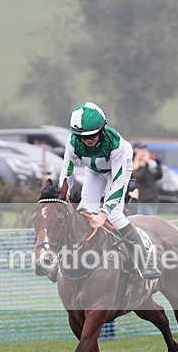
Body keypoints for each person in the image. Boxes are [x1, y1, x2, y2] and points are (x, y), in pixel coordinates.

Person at [57, 102, 161, 280]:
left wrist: (104, 213)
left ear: (102, 129)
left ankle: (144, 262)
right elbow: (67, 172)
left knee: (114, 216)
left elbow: (119, 182)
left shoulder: (116, 144)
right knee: (84, 211)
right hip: (94, 171)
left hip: (118, 171)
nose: (88, 140)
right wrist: (61, 198)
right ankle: (64, 262)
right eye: (83, 136)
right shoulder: (73, 144)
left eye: (93, 135)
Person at [129, 141, 163, 216]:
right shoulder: (135, 165)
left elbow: (157, 176)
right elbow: (138, 177)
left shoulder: (150, 165)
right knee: (146, 221)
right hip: (144, 199)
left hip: (153, 198)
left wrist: (159, 165)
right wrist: (145, 165)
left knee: (153, 220)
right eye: (141, 149)